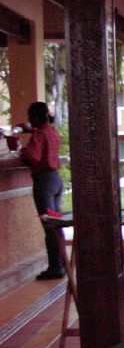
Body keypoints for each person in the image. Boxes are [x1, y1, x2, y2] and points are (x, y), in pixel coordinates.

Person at [20, 102, 65, 280]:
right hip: (56, 180)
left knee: (49, 226)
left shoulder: (39, 134)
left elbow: (33, 155)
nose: (29, 120)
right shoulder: (51, 131)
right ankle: (62, 263)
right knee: (56, 224)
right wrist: (31, 131)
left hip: (44, 181)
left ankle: (55, 267)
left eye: (30, 117)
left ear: (36, 117)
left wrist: (23, 150)